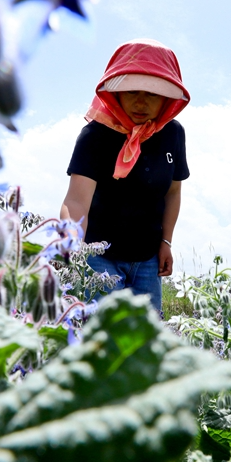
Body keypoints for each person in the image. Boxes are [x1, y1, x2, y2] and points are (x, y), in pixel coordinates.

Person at [59, 39, 190, 312]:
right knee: (103, 339)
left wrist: (166, 242)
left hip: (147, 259)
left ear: (166, 98)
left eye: (152, 93)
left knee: (147, 342)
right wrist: (72, 248)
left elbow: (173, 192)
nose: (141, 102)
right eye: (132, 92)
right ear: (116, 93)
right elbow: (76, 201)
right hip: (99, 258)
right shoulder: (95, 135)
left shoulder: (173, 134)